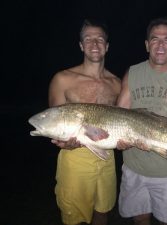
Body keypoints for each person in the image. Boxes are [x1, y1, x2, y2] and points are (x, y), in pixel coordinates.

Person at [117, 17, 167, 225]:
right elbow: (119, 116)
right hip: (133, 168)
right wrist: (123, 140)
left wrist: (151, 138)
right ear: (146, 44)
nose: (160, 45)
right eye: (155, 39)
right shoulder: (132, 73)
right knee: (140, 218)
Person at [48, 19, 121, 225]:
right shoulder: (63, 79)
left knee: (103, 211)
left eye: (100, 39)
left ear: (107, 46)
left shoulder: (117, 84)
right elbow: (54, 125)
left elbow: (123, 123)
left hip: (107, 157)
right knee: (76, 218)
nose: (94, 44)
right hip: (75, 157)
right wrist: (63, 143)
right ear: (81, 45)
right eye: (88, 39)